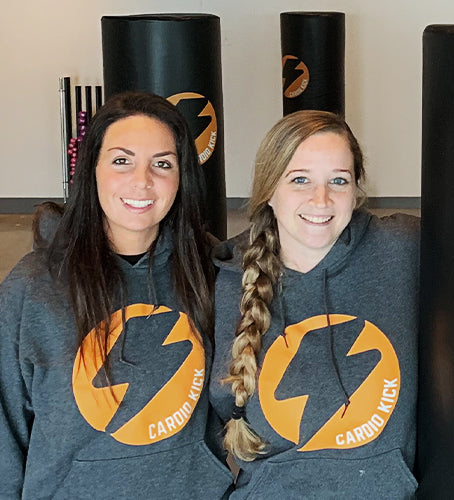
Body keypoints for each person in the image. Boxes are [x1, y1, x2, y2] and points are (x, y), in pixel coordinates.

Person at [0, 92, 231, 497]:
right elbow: (5, 428)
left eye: (162, 164)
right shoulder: (34, 286)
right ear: (92, 170)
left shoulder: (210, 272)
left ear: (181, 178)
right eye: (122, 161)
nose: (142, 181)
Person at [210, 110, 419, 497]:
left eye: (338, 180)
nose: (321, 200)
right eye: (300, 180)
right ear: (269, 190)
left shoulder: (402, 250)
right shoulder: (225, 278)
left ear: (356, 191)